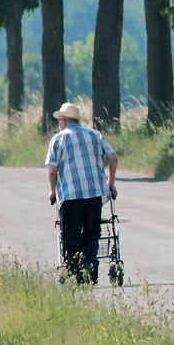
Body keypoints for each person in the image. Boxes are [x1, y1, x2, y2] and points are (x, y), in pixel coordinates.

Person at [44, 101, 118, 284]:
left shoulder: (58, 139)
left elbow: (52, 170)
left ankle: (73, 274)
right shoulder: (95, 135)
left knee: (71, 236)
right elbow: (113, 158)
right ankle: (90, 270)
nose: (58, 124)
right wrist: (110, 183)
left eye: (59, 120)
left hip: (70, 196)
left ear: (64, 121)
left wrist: (53, 191)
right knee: (92, 233)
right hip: (94, 195)